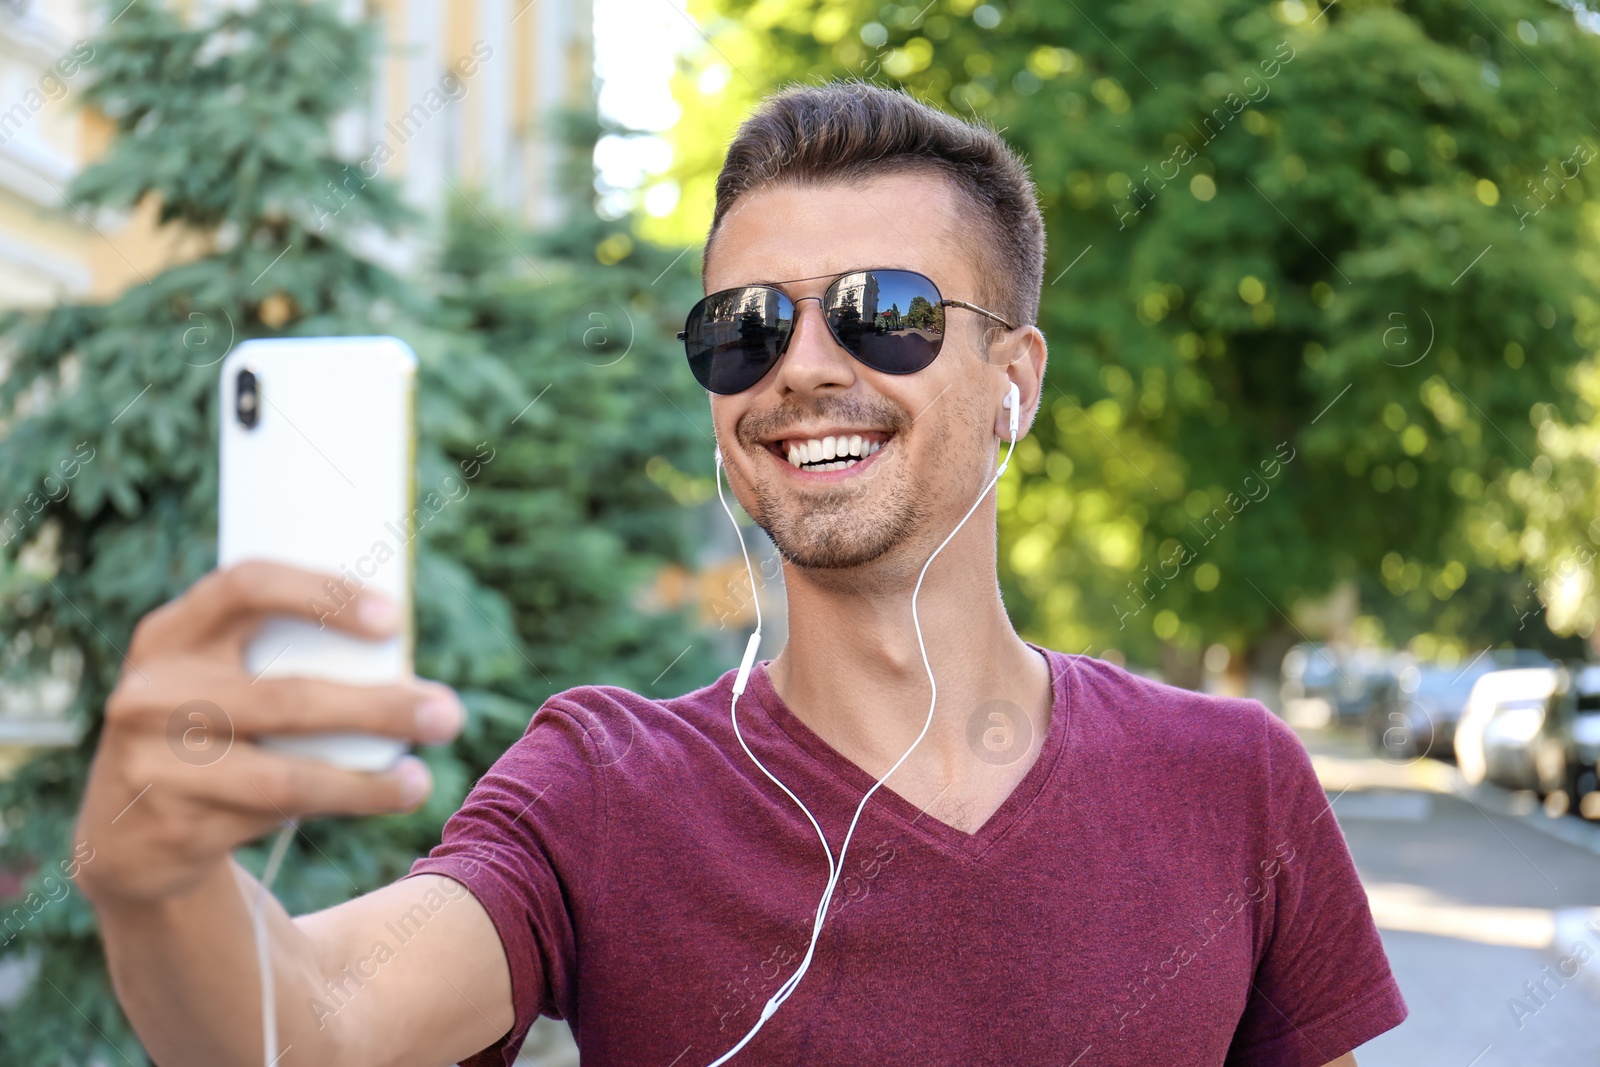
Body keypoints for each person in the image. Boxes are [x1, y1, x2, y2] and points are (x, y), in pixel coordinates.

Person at [73, 80, 1405, 1066]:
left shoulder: (1235, 783)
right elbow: (320, 1025)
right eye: (745, 327)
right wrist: (161, 886)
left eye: (885, 313)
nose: (803, 367)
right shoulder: (603, 789)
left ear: (1017, 380)